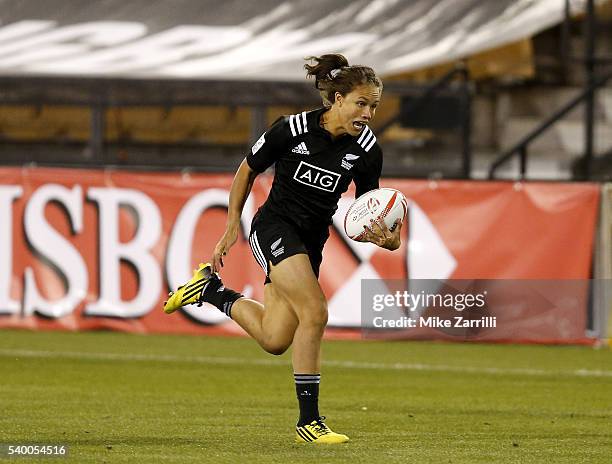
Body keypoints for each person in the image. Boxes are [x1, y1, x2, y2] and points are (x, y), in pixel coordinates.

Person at [163, 53, 402, 444]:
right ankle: (309, 422)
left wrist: (388, 238)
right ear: (337, 99)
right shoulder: (292, 129)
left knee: (275, 339)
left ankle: (210, 291)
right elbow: (247, 169)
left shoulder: (367, 149)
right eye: (361, 103)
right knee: (315, 310)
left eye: (374, 105)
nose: (368, 113)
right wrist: (229, 227)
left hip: (311, 242)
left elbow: (369, 210)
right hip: (273, 227)